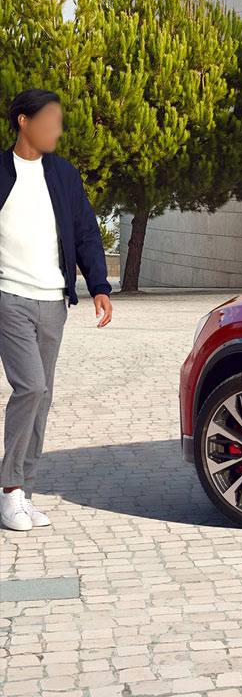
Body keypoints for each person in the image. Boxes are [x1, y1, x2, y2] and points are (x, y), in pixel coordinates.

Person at [0, 88, 113, 531]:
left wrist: (99, 285)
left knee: (42, 397)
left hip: (53, 300)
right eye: (50, 120)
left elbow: (85, 231)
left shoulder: (63, 174)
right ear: (24, 121)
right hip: (9, 296)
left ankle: (23, 494)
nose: (58, 129)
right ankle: (9, 489)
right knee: (30, 387)